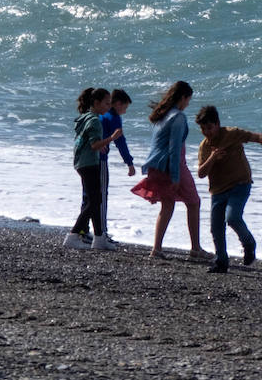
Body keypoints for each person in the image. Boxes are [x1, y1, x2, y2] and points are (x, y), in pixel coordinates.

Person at [131, 80, 209, 260]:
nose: (188, 104)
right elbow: (174, 149)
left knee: (167, 205)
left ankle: (156, 249)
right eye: (188, 100)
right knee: (194, 202)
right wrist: (175, 176)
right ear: (183, 98)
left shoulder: (162, 114)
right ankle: (195, 249)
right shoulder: (178, 117)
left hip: (155, 165)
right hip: (172, 165)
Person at [194, 105, 262, 273]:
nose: (206, 132)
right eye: (203, 129)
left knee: (232, 218)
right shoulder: (205, 146)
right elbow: (201, 173)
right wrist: (213, 157)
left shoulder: (232, 133)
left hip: (240, 184)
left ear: (217, 124)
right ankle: (221, 262)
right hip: (217, 190)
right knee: (216, 228)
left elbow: (259, 137)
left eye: (209, 128)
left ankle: (249, 243)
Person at [64, 87, 123, 251]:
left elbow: (85, 141)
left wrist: (100, 145)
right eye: (106, 103)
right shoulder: (95, 120)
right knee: (95, 201)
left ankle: (99, 238)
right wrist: (110, 139)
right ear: (96, 103)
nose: (108, 107)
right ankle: (73, 235)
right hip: (88, 163)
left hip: (82, 162)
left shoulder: (85, 117)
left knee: (95, 200)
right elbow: (94, 144)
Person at [97, 88, 137, 239]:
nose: (124, 112)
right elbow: (120, 142)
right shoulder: (113, 117)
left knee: (90, 196)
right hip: (99, 160)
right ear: (118, 104)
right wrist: (129, 163)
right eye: (125, 107)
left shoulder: (102, 115)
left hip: (88, 159)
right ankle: (101, 232)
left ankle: (84, 231)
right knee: (101, 195)